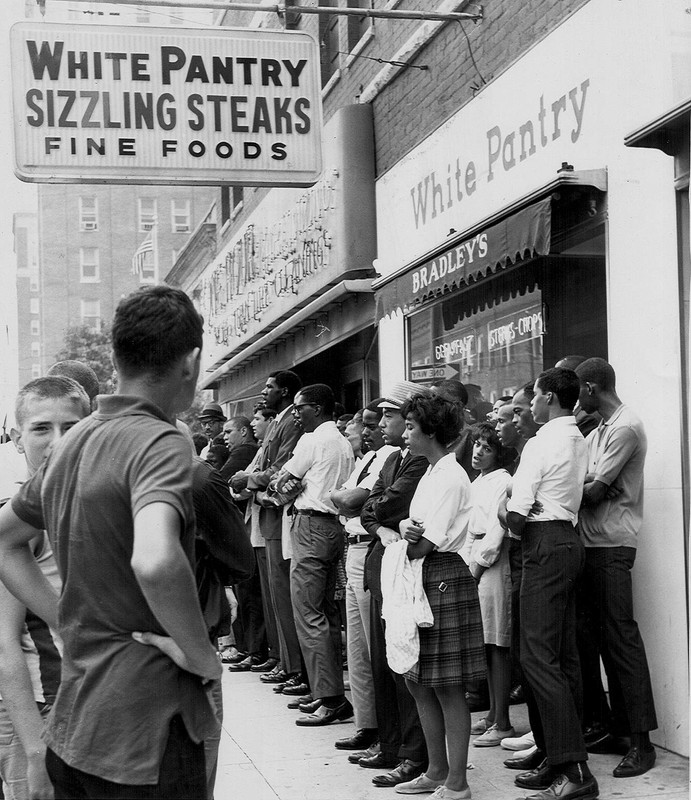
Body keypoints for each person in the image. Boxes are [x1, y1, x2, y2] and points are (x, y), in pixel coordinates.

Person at [0, 285, 221, 800]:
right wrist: (202, 655)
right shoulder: (160, 440)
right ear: (190, 362)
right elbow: (156, 560)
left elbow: (4, 540)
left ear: (118, 355)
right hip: (147, 732)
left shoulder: (75, 441)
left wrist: (69, 618)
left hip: (76, 729)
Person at [506, 368, 597, 800]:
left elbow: (518, 509)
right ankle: (557, 755)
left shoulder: (544, 441)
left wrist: (515, 517)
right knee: (561, 656)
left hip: (543, 541)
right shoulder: (576, 437)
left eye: (536, 397)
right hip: (567, 541)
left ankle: (573, 769)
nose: (533, 404)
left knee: (538, 657)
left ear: (550, 399)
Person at [0, 376, 90, 800]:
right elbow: (4, 645)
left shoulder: (94, 502)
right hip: (44, 710)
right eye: (41, 428)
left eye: (72, 427)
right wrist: (37, 751)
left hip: (98, 704)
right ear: (18, 439)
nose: (58, 441)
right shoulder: (20, 522)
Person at [393, 393, 484, 800]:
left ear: (431, 431)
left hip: (442, 576)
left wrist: (406, 537)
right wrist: (404, 528)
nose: (405, 432)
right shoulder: (432, 472)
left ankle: (457, 783)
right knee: (418, 680)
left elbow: (424, 543)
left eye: (411, 426)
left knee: (447, 685)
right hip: (424, 577)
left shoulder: (449, 477)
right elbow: (413, 528)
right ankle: (435, 771)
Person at [575, 358, 657, 778]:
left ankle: (642, 744)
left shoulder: (624, 427)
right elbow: (584, 481)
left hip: (611, 545)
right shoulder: (601, 428)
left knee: (622, 641)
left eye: (577, 391)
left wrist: (566, 484)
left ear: (590, 388)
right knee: (602, 641)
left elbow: (592, 491)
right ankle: (619, 729)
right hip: (593, 544)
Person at [359, 381, 429, 788]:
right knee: (383, 662)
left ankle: (412, 753)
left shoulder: (419, 461)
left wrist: (377, 515)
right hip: (380, 566)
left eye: (390, 414)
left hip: (402, 571)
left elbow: (384, 504)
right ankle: (390, 745)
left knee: (405, 665)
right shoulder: (390, 460)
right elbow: (373, 509)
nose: (384, 421)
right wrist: (379, 518)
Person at [273, 383, 354, 725]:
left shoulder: (313, 439)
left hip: (309, 526)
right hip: (333, 526)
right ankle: (326, 689)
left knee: (308, 613)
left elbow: (281, 480)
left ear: (317, 408)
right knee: (326, 613)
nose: (295, 413)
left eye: (300, 407)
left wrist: (292, 485)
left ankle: (330, 697)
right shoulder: (344, 442)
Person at [331, 399, 398, 753]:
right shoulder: (365, 460)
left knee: (374, 644)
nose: (373, 430)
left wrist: (342, 500)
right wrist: (341, 499)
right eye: (369, 423)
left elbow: (355, 500)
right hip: (352, 544)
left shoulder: (388, 457)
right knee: (357, 644)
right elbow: (341, 499)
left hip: (370, 544)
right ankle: (366, 723)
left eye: (379, 422)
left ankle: (385, 728)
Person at [229, 371, 304, 688]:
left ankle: (294, 666)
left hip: (276, 516)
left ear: (284, 391)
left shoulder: (290, 422)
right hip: (265, 517)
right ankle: (284, 661)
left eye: (270, 387)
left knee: (283, 599)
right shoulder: (280, 422)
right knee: (275, 598)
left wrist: (250, 481)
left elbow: (280, 468)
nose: (264, 391)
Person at [462, 422, 516, 749]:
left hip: (494, 565)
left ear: (498, 453)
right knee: (486, 643)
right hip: (475, 561)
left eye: (487, 448)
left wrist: (478, 566)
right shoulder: (476, 482)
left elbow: (497, 531)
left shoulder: (504, 481)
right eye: (477, 446)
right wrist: (466, 563)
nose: (479, 453)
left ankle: (504, 721)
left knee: (498, 644)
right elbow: (471, 528)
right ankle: (493, 714)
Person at [219, 416, 258, 484]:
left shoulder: (243, 451)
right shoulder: (255, 449)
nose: (225, 437)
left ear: (243, 431)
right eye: (224, 434)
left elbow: (220, 481)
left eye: (228, 432)